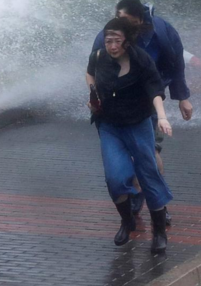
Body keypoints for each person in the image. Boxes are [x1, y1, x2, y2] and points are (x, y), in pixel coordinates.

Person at [92, 0, 192, 223]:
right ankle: (135, 195)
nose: (119, 26)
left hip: (147, 102)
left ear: (139, 20)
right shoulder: (108, 36)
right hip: (115, 110)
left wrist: (182, 97)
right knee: (121, 158)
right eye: (117, 19)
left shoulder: (161, 32)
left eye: (125, 21)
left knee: (149, 153)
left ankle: (157, 202)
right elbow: (94, 67)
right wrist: (96, 98)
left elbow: (176, 63)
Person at [86, 17, 173, 253]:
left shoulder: (141, 60)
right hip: (109, 126)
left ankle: (159, 232)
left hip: (138, 124)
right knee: (115, 178)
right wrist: (93, 95)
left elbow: (155, 90)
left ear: (127, 41)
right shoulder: (98, 57)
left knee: (148, 174)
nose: (112, 46)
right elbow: (90, 74)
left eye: (117, 41)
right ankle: (127, 221)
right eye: (108, 41)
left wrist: (162, 117)